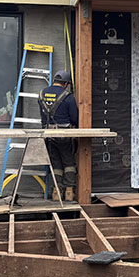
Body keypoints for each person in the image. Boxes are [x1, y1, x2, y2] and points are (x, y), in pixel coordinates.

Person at [38, 69, 79, 201]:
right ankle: (69, 192)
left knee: (55, 164)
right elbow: (75, 118)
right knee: (69, 163)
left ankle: (56, 192)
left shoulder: (42, 94)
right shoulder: (68, 97)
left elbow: (43, 117)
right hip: (64, 134)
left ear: (54, 81)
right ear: (66, 84)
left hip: (48, 135)